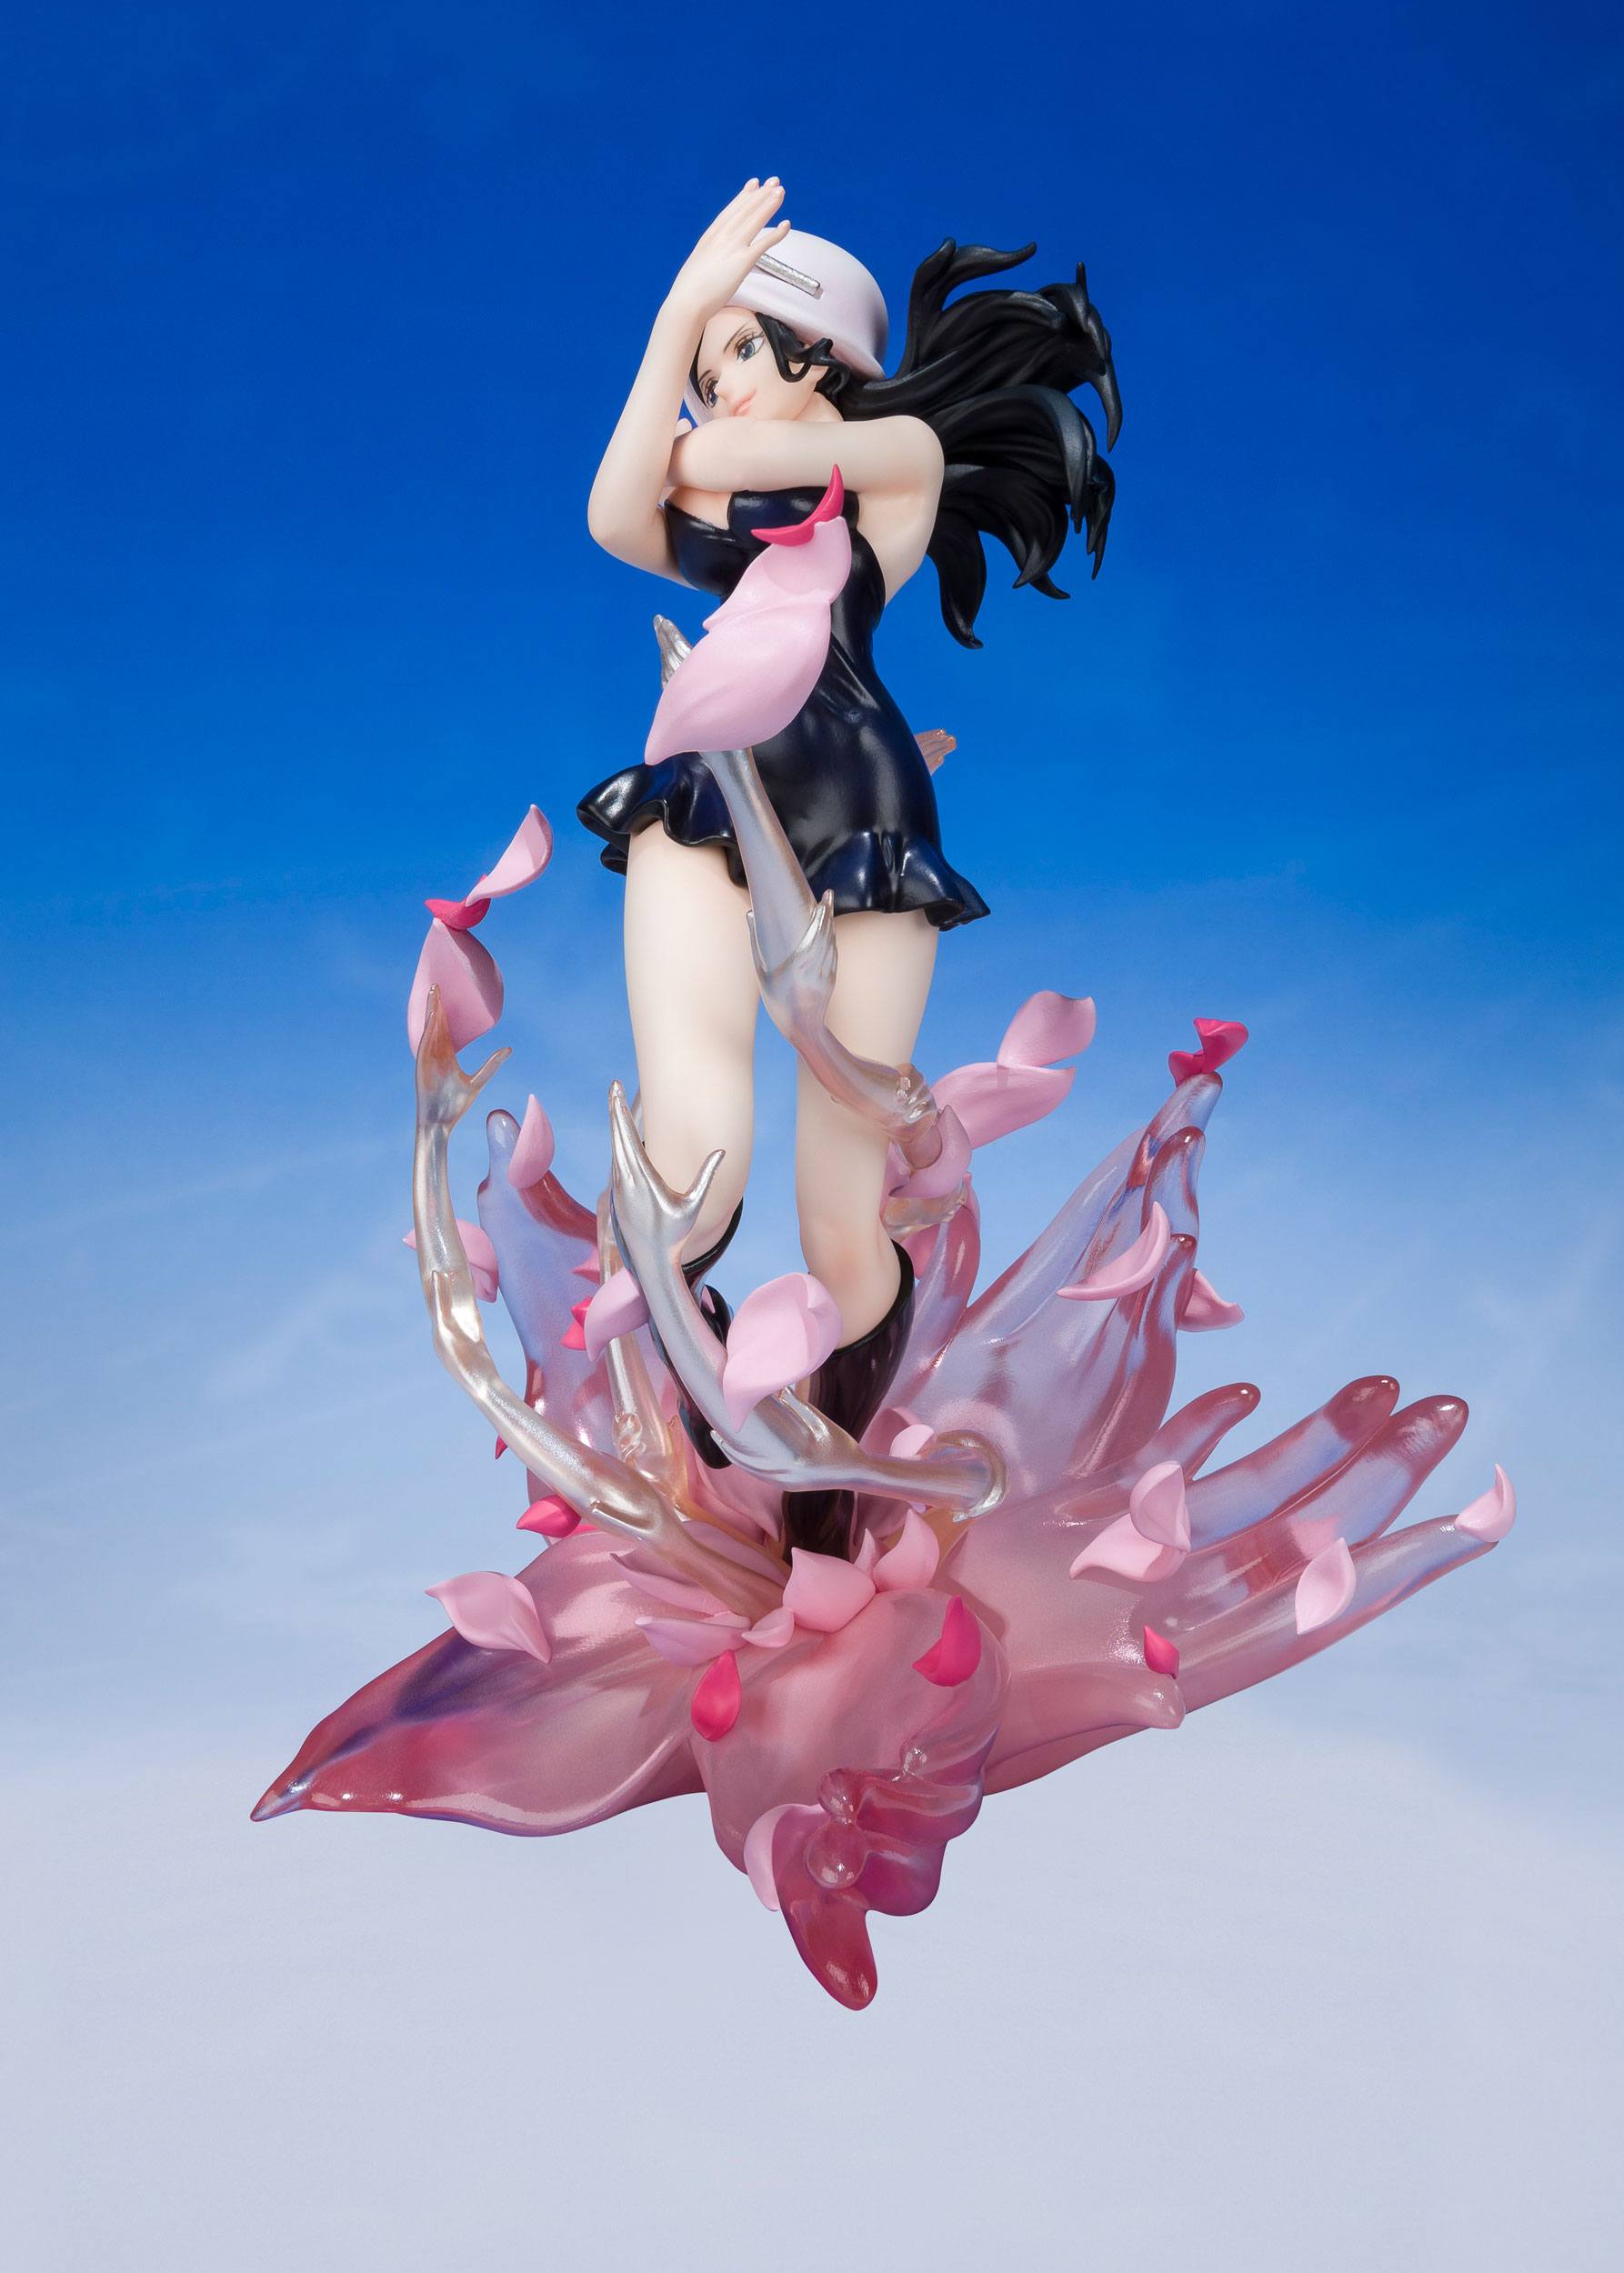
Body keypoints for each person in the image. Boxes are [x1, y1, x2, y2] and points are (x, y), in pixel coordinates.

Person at [576, 179, 1119, 1554]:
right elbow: (613, 515)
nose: (710, 390)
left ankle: (827, 1499)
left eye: (736, 351)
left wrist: (696, 408)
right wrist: (675, 320)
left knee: (840, 1200)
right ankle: (706, 1373)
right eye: (703, 367)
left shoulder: (896, 463)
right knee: (693, 1134)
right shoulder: (726, 505)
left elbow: (707, 459)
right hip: (710, 783)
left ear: (821, 356)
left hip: (866, 818)